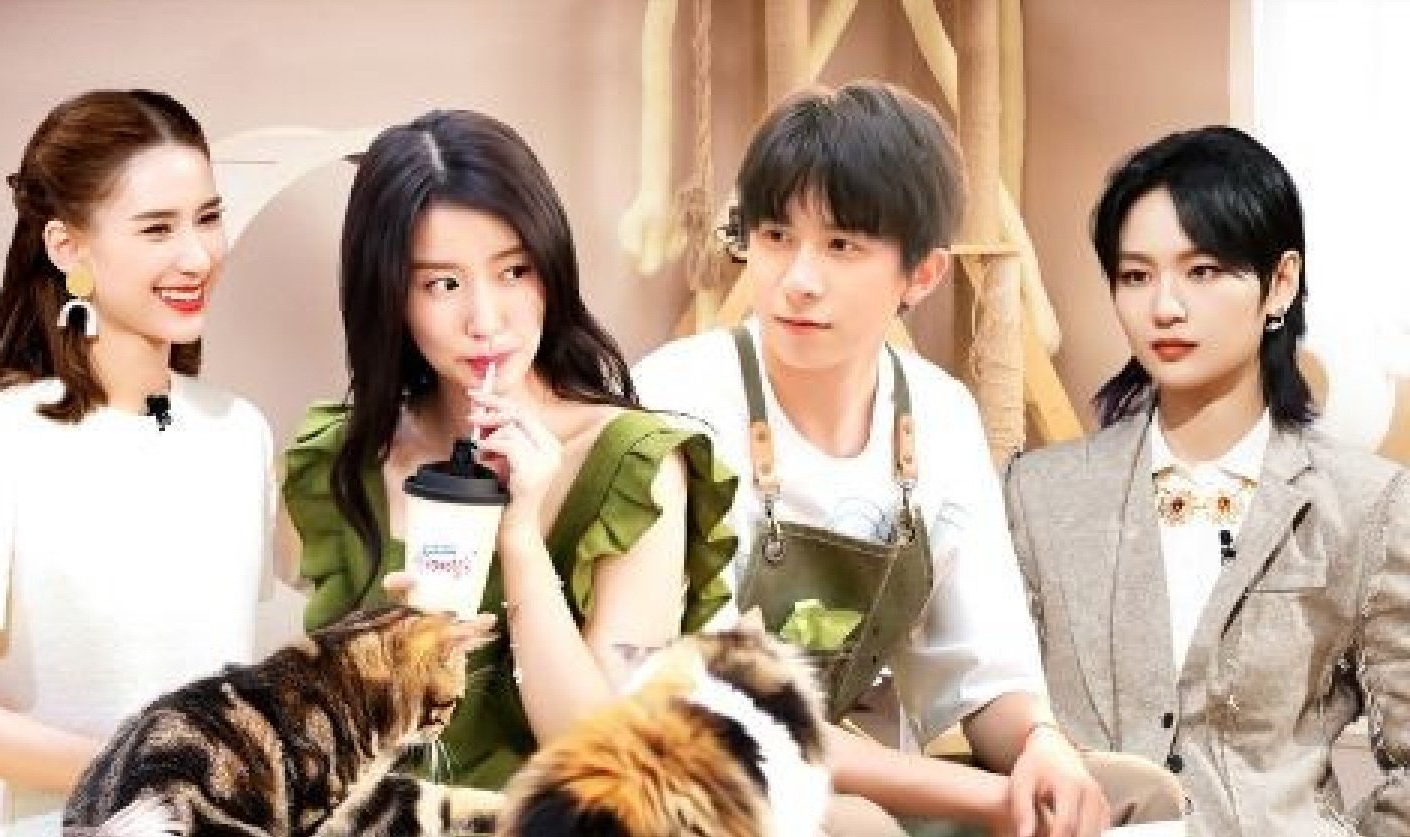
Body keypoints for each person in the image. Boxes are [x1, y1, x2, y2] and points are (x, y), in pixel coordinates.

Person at [634, 80, 1182, 836]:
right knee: (857, 825)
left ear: (921, 274)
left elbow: (983, 669)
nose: (799, 280)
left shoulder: (941, 415)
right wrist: (986, 799)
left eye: (841, 246)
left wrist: (1042, 747)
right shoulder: (676, 396)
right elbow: (721, 707)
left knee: (1134, 795)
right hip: (694, 776)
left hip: (860, 771)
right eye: (776, 237)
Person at [280, 108, 737, 790]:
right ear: (391, 297)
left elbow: (602, 760)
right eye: (442, 284)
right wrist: (395, 652)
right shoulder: (345, 460)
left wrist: (519, 540)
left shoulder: (634, 466)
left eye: (514, 270)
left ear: (551, 267)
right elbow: (319, 742)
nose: (486, 319)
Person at [1005, 125, 1410, 835]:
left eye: (1203, 271)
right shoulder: (1040, 494)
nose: (1165, 306)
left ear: (1280, 282)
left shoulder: (1364, 502)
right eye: (1136, 276)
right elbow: (994, 712)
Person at [0, 90, 274, 836]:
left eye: (208, 217)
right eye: (157, 228)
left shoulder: (241, 433)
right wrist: (148, 771)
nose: (197, 255)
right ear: (67, 247)